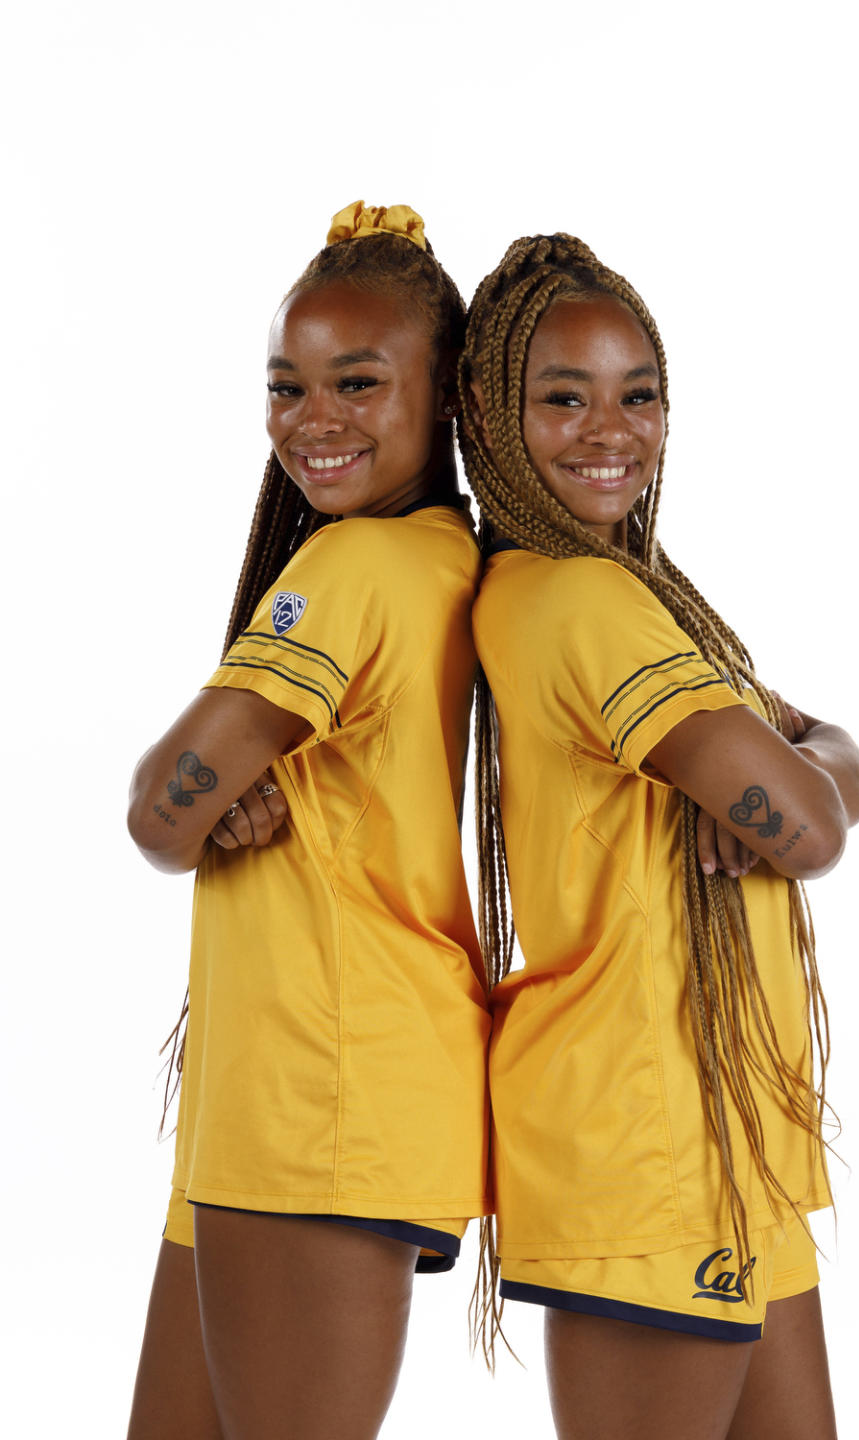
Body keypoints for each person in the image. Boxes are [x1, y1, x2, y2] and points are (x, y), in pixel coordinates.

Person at [459, 233, 859, 1439]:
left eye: (639, 395)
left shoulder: (622, 592)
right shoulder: (584, 602)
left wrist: (809, 761)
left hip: (728, 1129)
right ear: (488, 415)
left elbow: (819, 767)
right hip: (649, 1142)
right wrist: (806, 765)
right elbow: (811, 821)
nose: (611, 431)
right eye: (563, 397)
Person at [125, 202, 491, 1440]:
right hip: (292, 1098)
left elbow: (155, 813)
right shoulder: (442, 554)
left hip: (315, 1099)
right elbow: (196, 800)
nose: (310, 418)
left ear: (447, 398)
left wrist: (206, 797)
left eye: (357, 382)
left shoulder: (349, 573)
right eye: (287, 383)